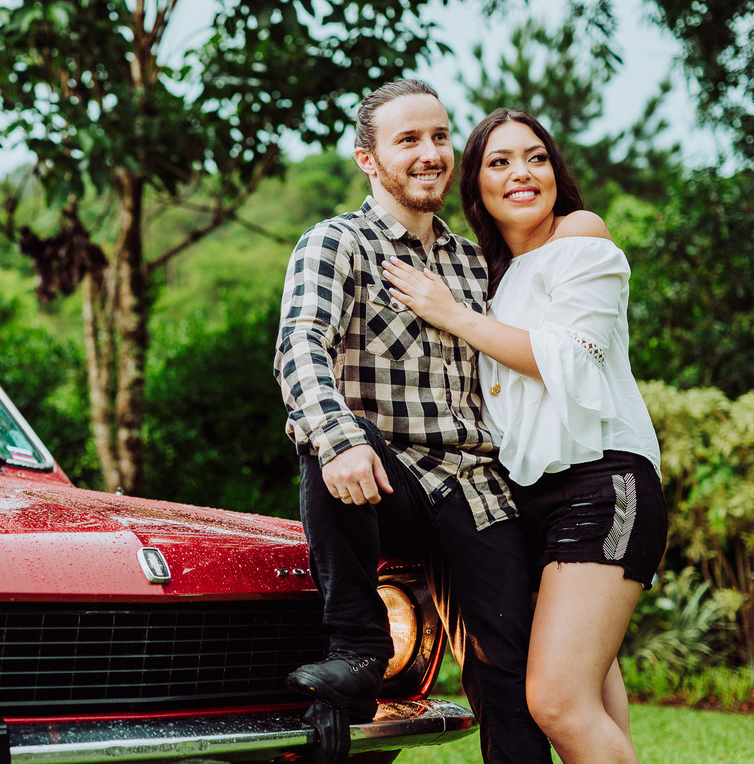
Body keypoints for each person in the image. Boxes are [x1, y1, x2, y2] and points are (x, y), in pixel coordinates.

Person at [274, 81, 550, 764]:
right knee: (335, 434)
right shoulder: (337, 243)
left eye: (439, 137)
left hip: (480, 488)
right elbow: (301, 346)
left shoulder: (474, 260)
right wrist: (337, 440)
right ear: (368, 160)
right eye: (408, 141)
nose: (430, 154)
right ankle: (360, 650)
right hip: (385, 481)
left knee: (514, 683)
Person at [381, 108, 666, 764]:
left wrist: (449, 314)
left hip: (602, 482)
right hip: (525, 501)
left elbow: (568, 354)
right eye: (500, 161)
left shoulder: (579, 233)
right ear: (475, 183)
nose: (522, 173)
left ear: (555, 170)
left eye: (535, 157)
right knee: (588, 701)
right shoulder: (488, 275)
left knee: (557, 700)